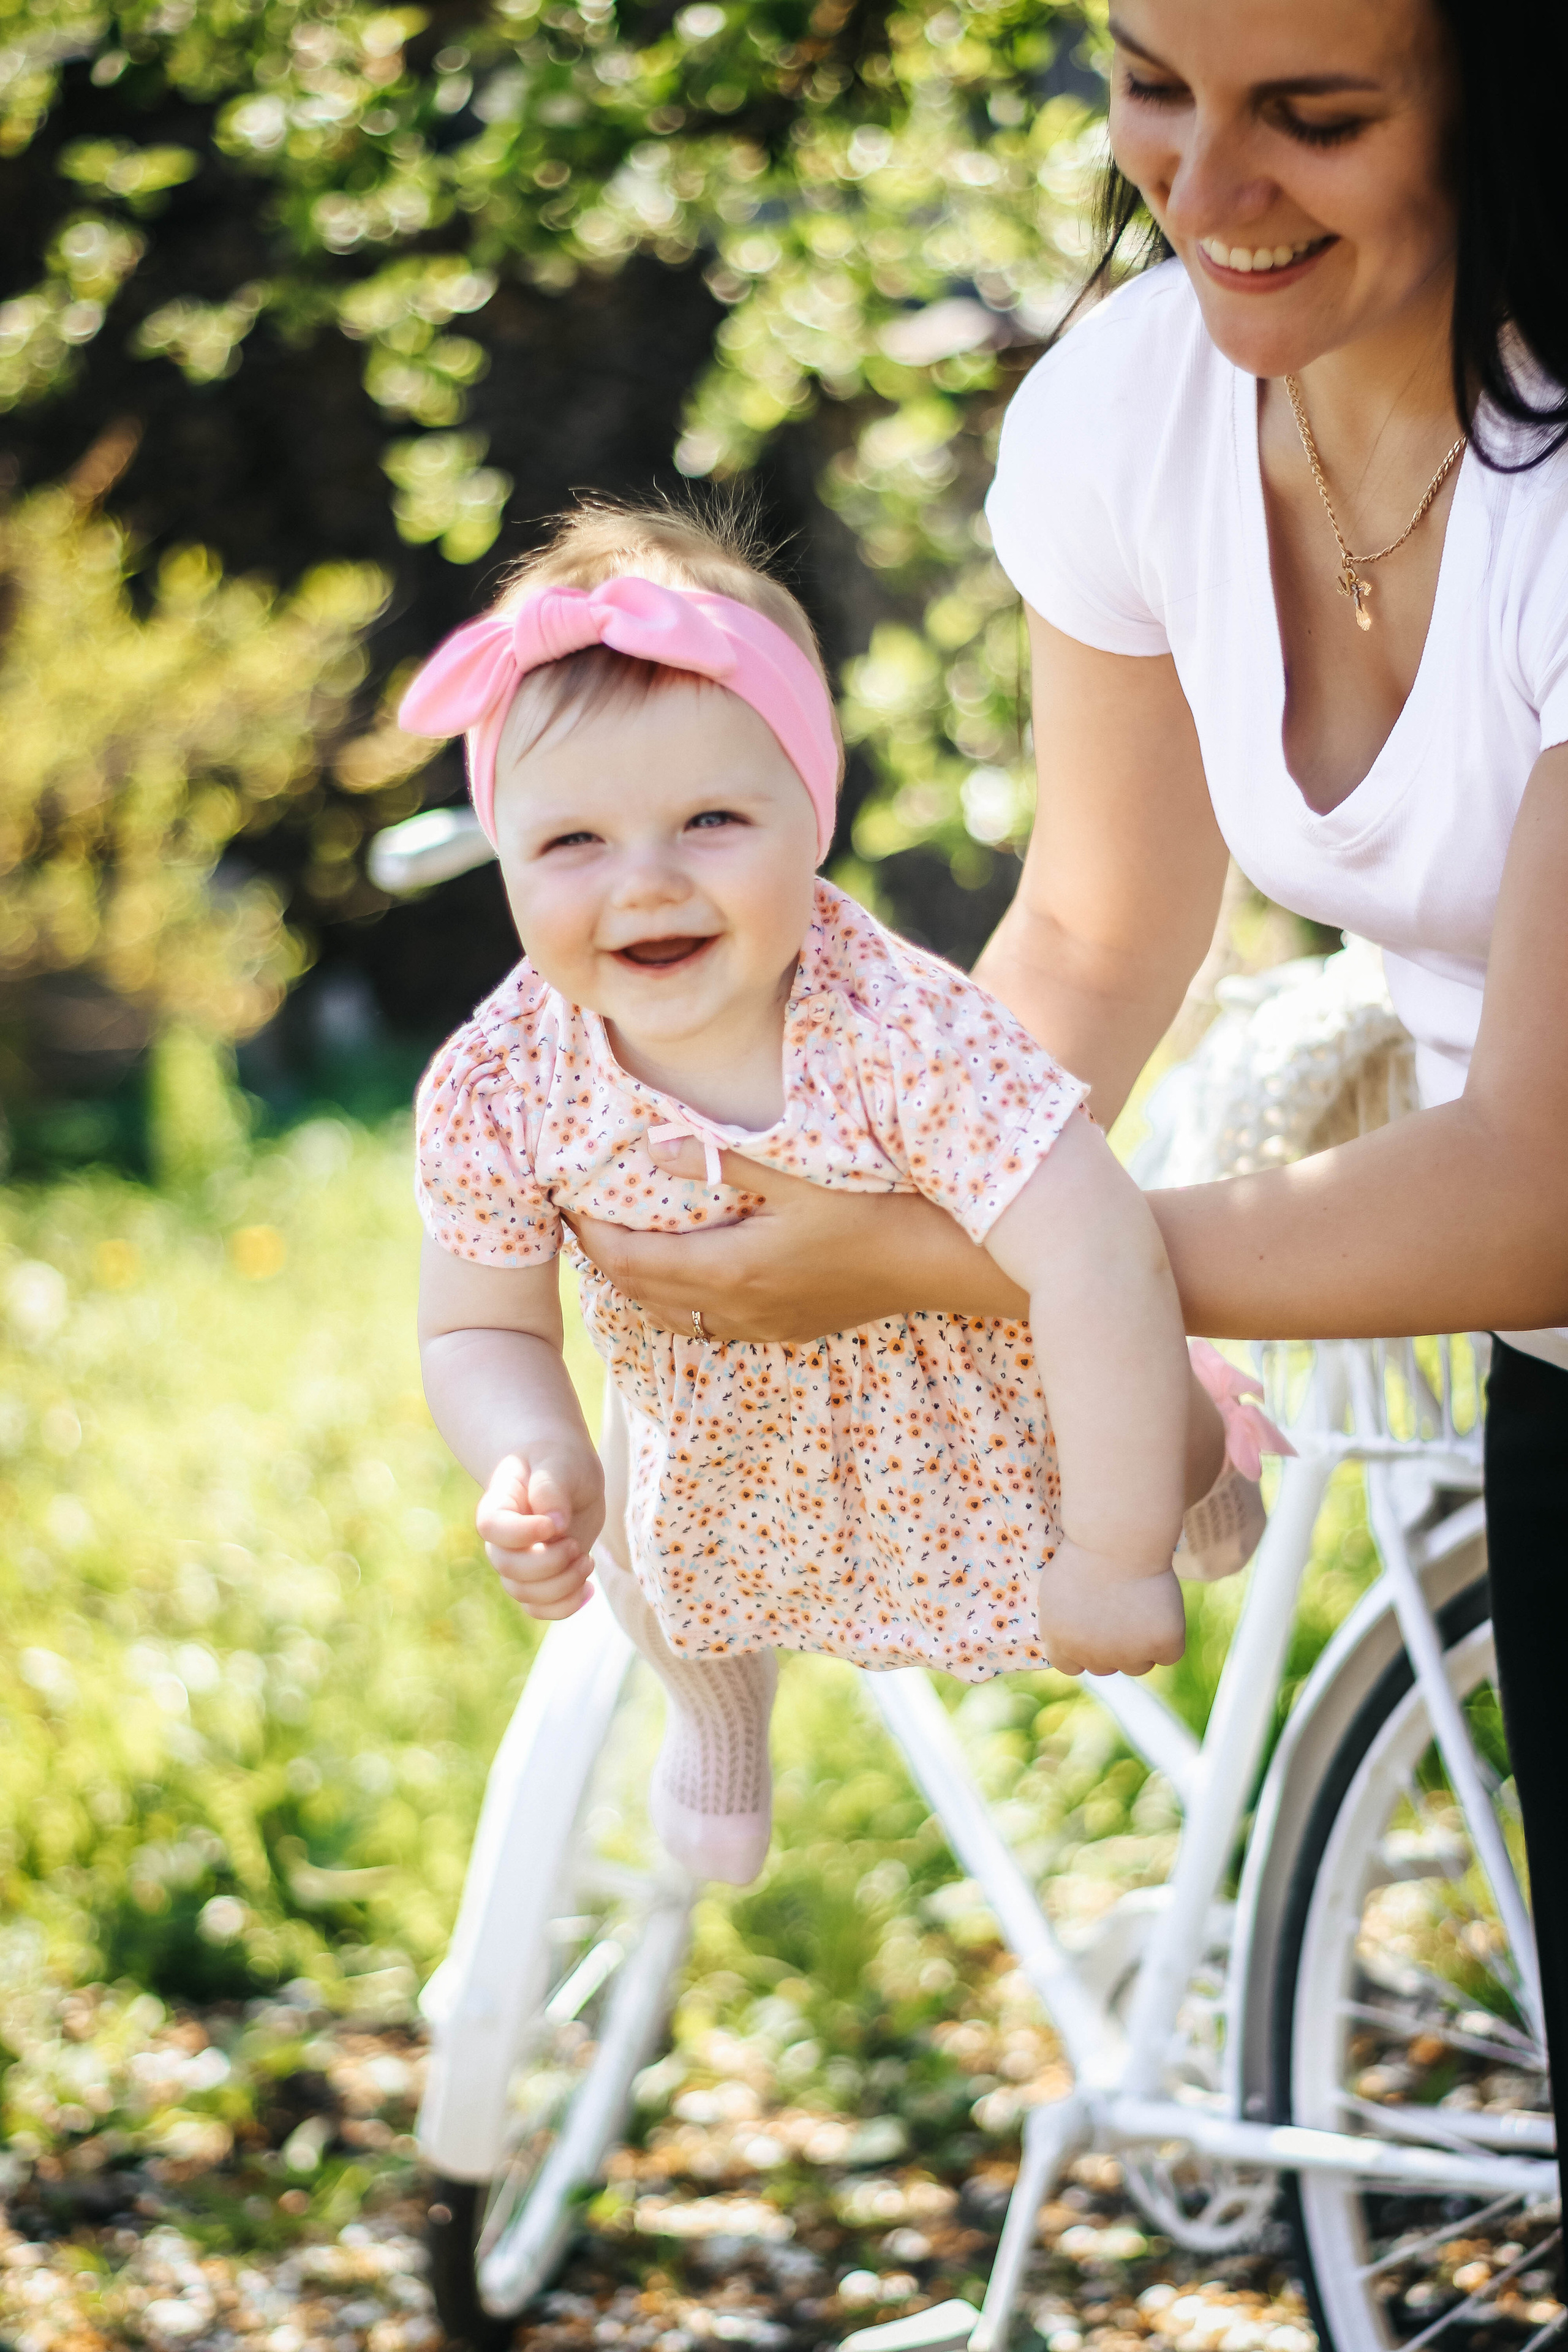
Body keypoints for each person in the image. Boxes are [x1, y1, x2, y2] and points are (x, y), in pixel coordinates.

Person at [565, 0, 1568, 2185]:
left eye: (1313, 118)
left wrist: (999, 1273)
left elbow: (1547, 1181)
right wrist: (791, 1200)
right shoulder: (1133, 416)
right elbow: (1102, 941)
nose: (1201, 195)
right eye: (1151, 89)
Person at [403, 501, 1287, 1888]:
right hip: (714, 1426)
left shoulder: (898, 1029)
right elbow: (481, 1326)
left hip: (975, 1382)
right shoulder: (500, 1082)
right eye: (572, 842)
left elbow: (1097, 1249)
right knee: (654, 1552)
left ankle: (1192, 1469)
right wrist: (530, 1451)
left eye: (708, 820)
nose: (645, 883)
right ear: (503, 852)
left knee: (1138, 1434)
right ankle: (718, 1722)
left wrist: (1114, 1553)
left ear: (806, 819)